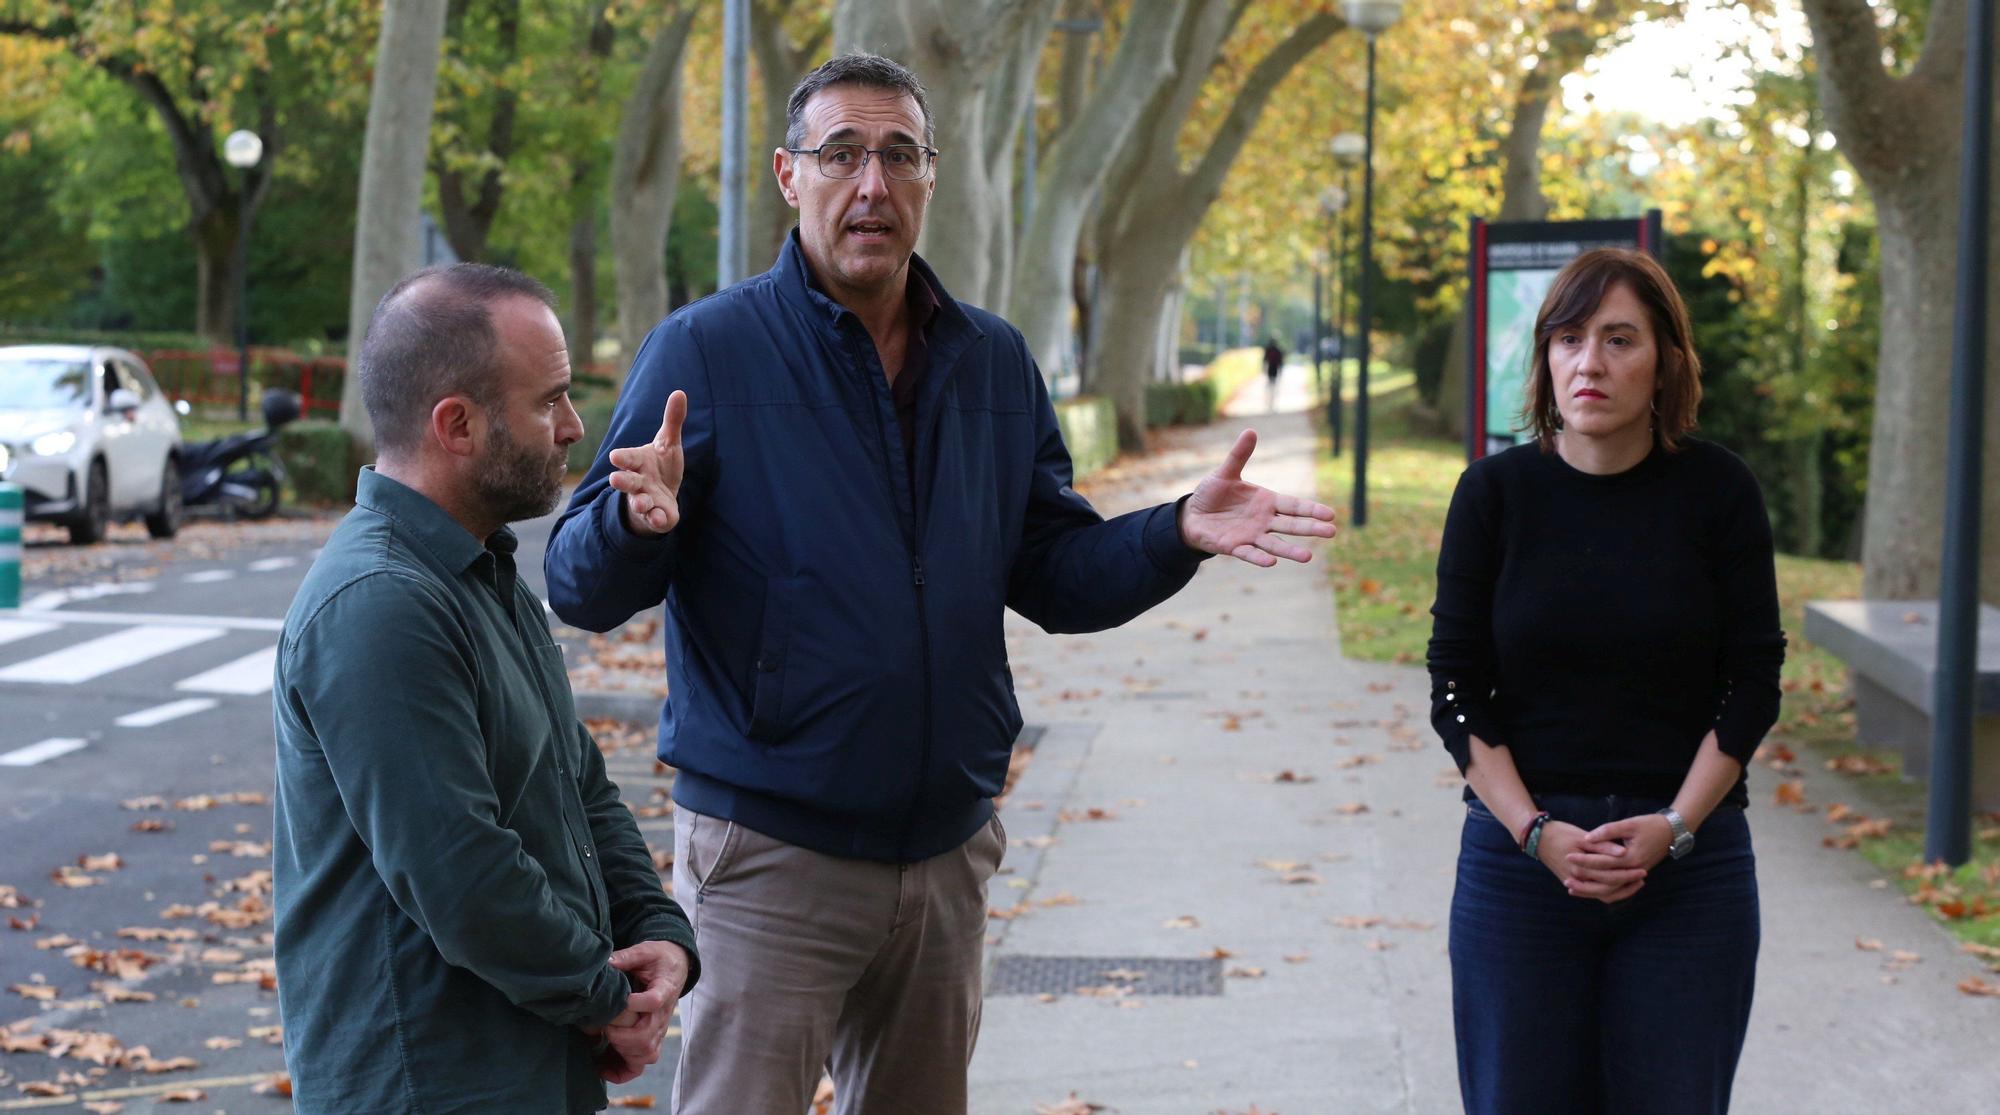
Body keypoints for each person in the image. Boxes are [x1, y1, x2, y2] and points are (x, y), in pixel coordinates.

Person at [544, 52, 1337, 1115]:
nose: (870, 183)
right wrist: (635, 525)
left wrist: (1173, 533)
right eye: (840, 154)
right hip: (771, 857)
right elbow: (576, 583)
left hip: (946, 854)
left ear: (929, 178)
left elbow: (1054, 572)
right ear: (789, 176)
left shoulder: (992, 361)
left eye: (898, 155)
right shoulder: (707, 348)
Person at [272, 264, 699, 1114]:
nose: (574, 426)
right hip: (430, 1081)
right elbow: (460, 872)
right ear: (456, 425)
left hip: (527, 1062)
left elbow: (575, 786)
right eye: (549, 402)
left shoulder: (479, 568)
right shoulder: (381, 603)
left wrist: (659, 935)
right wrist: (606, 999)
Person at [1427, 247, 1785, 1115]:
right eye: (1570, 337)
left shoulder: (1719, 492)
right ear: (1546, 359)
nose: (1591, 361)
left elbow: (1754, 682)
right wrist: (1535, 830)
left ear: (1665, 362)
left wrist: (1674, 826)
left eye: (1620, 339)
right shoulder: (1493, 495)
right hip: (1521, 872)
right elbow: (1456, 687)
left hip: (1688, 877)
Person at [1262, 337, 1285, 412]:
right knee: (1274, 387)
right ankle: (1273, 404)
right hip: (1275, 370)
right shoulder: (1278, 350)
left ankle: (1269, 404)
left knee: (1269, 387)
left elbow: (1264, 360)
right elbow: (1281, 362)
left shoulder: (1268, 349)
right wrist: (1281, 371)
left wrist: (1263, 369)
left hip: (1269, 369)